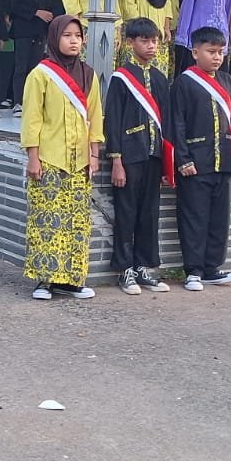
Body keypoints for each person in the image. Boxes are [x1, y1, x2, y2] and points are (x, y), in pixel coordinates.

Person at [21, 14, 104, 300]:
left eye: (77, 36)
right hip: (49, 158)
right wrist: (33, 157)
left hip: (80, 161)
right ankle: (44, 280)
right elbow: (32, 119)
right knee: (47, 219)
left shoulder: (89, 75)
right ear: (54, 38)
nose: (73, 41)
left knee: (76, 221)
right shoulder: (40, 74)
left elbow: (95, 116)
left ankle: (71, 280)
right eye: (67, 35)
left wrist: (94, 154)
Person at [169, 26, 231, 291]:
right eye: (211, 51)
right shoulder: (184, 82)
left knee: (218, 219)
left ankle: (212, 268)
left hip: (223, 161)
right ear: (195, 52)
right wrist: (182, 159)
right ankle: (193, 270)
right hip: (195, 162)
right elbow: (177, 123)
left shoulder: (228, 81)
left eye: (220, 52)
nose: (216, 57)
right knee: (194, 217)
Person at [104, 18, 173, 295]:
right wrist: (116, 161)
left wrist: (168, 163)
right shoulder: (121, 78)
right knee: (127, 212)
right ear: (130, 42)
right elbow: (113, 121)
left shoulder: (159, 78)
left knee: (149, 213)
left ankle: (144, 266)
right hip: (129, 155)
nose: (151, 46)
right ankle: (125, 270)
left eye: (154, 41)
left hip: (154, 155)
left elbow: (166, 121)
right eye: (144, 41)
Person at [8, 0, 59, 117]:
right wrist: (36, 12)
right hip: (23, 31)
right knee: (21, 68)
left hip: (40, 31)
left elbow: (50, 5)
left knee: (36, 68)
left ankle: (34, 102)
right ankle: (18, 102)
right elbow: (14, 7)